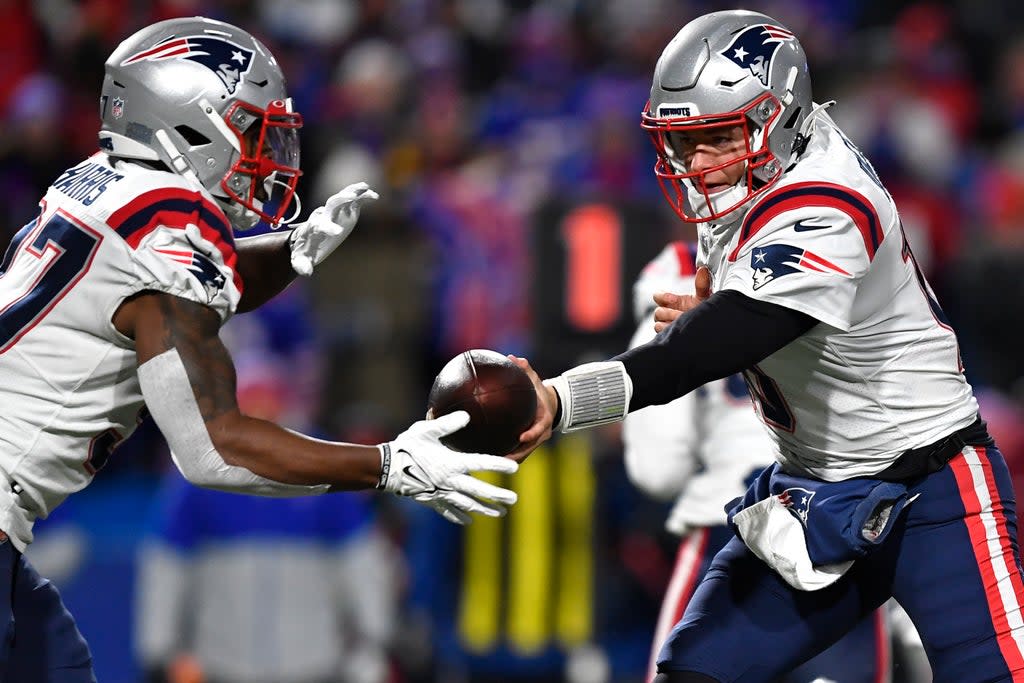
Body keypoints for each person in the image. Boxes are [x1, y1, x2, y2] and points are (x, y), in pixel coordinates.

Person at [507, 9, 1024, 683]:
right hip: (812, 494)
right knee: (693, 671)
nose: (698, 163)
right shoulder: (756, 169)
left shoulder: (831, 198)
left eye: (718, 136)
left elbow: (708, 348)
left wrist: (559, 395)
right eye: (685, 141)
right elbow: (748, 314)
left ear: (777, 116)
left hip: (934, 495)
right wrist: (736, 306)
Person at [0, 16, 517, 682]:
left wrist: (291, 250)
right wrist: (388, 463)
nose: (264, 149)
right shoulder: (171, 225)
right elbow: (213, 449)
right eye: (250, 127)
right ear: (189, 125)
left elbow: (169, 288)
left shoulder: (99, 178)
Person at [623, 241, 890, 683]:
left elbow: (658, 470)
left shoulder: (676, 298)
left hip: (730, 526)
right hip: (845, 521)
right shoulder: (842, 263)